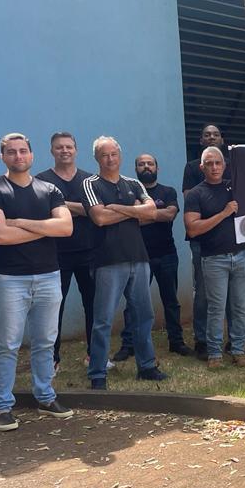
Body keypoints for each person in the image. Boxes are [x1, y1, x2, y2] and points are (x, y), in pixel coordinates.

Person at [0, 133, 74, 431]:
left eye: (23, 151)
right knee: (7, 344)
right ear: (3, 156)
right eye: (11, 152)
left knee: (45, 341)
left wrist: (20, 222)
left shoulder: (49, 189)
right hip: (10, 279)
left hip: (48, 275)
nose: (18, 156)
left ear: (32, 155)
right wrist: (47, 228)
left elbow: (67, 227)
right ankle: (3, 406)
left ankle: (45, 397)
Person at [82, 136, 169, 390]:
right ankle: (97, 372)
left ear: (120, 156)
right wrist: (133, 209)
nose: (110, 159)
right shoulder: (90, 184)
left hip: (139, 258)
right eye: (104, 155)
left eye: (113, 154)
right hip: (108, 260)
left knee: (144, 315)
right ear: (97, 159)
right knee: (103, 319)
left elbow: (152, 212)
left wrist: (117, 208)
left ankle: (146, 366)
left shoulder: (133, 183)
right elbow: (99, 218)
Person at [115, 154, 192, 359]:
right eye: (141, 164)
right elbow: (128, 222)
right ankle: (128, 345)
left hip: (166, 255)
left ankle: (176, 342)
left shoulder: (168, 191)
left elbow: (170, 215)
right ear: (136, 168)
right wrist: (153, 215)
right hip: (138, 256)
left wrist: (138, 214)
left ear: (157, 167)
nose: (146, 167)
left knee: (171, 301)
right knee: (133, 302)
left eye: (150, 164)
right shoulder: (129, 192)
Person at [36, 132, 100, 371]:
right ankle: (52, 358)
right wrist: (81, 208)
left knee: (93, 305)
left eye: (69, 147)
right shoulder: (41, 180)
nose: (64, 151)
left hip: (90, 252)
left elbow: (96, 212)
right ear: (52, 151)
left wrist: (60, 206)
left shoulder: (89, 180)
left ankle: (95, 355)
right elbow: (42, 213)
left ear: (76, 150)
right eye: (59, 147)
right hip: (54, 254)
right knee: (54, 308)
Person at [184, 146, 245, 369]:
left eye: (218, 163)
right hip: (213, 259)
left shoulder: (237, 189)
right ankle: (214, 354)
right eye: (210, 164)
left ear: (224, 165)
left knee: (240, 307)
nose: (214, 167)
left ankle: (238, 351)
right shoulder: (195, 194)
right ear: (202, 167)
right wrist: (223, 213)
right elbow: (192, 229)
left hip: (242, 255)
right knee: (216, 307)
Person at [182, 124, 231, 360]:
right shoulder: (192, 168)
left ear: (222, 139)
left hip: (231, 240)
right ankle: (202, 340)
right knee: (202, 292)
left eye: (215, 134)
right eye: (206, 135)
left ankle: (233, 341)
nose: (211, 137)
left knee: (232, 294)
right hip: (202, 240)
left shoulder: (232, 167)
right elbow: (191, 201)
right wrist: (222, 212)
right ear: (200, 140)